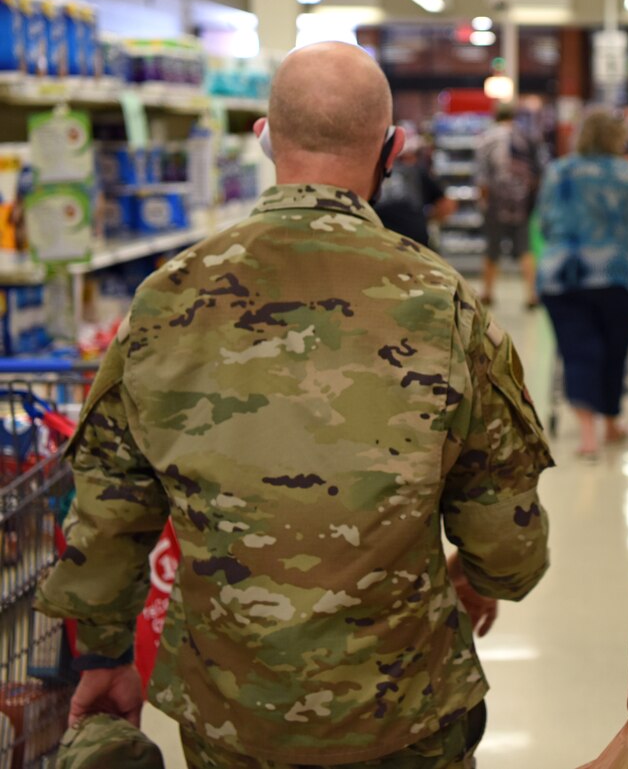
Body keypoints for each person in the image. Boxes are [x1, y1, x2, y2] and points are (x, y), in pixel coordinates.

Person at [35, 42, 553, 769]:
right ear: (393, 149)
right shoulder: (444, 305)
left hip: (230, 714)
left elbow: (109, 510)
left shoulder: (167, 299)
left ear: (264, 139)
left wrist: (103, 654)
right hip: (403, 712)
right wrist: (477, 579)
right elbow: (508, 542)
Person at [535, 109, 628, 458]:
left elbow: (544, 223)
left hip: (565, 275)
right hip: (621, 275)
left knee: (577, 350)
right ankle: (611, 423)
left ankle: (588, 436)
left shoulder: (558, 172)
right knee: (614, 350)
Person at [475, 103, 543, 308]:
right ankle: (532, 294)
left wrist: (483, 201)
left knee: (492, 248)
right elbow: (538, 172)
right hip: (522, 203)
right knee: (525, 247)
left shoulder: (486, 138)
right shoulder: (528, 137)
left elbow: (482, 176)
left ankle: (488, 292)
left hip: (495, 202)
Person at [374, 132, 455, 248]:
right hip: (413, 243)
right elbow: (447, 204)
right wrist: (427, 220)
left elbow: (447, 204)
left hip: (379, 243)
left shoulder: (372, 173)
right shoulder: (415, 171)